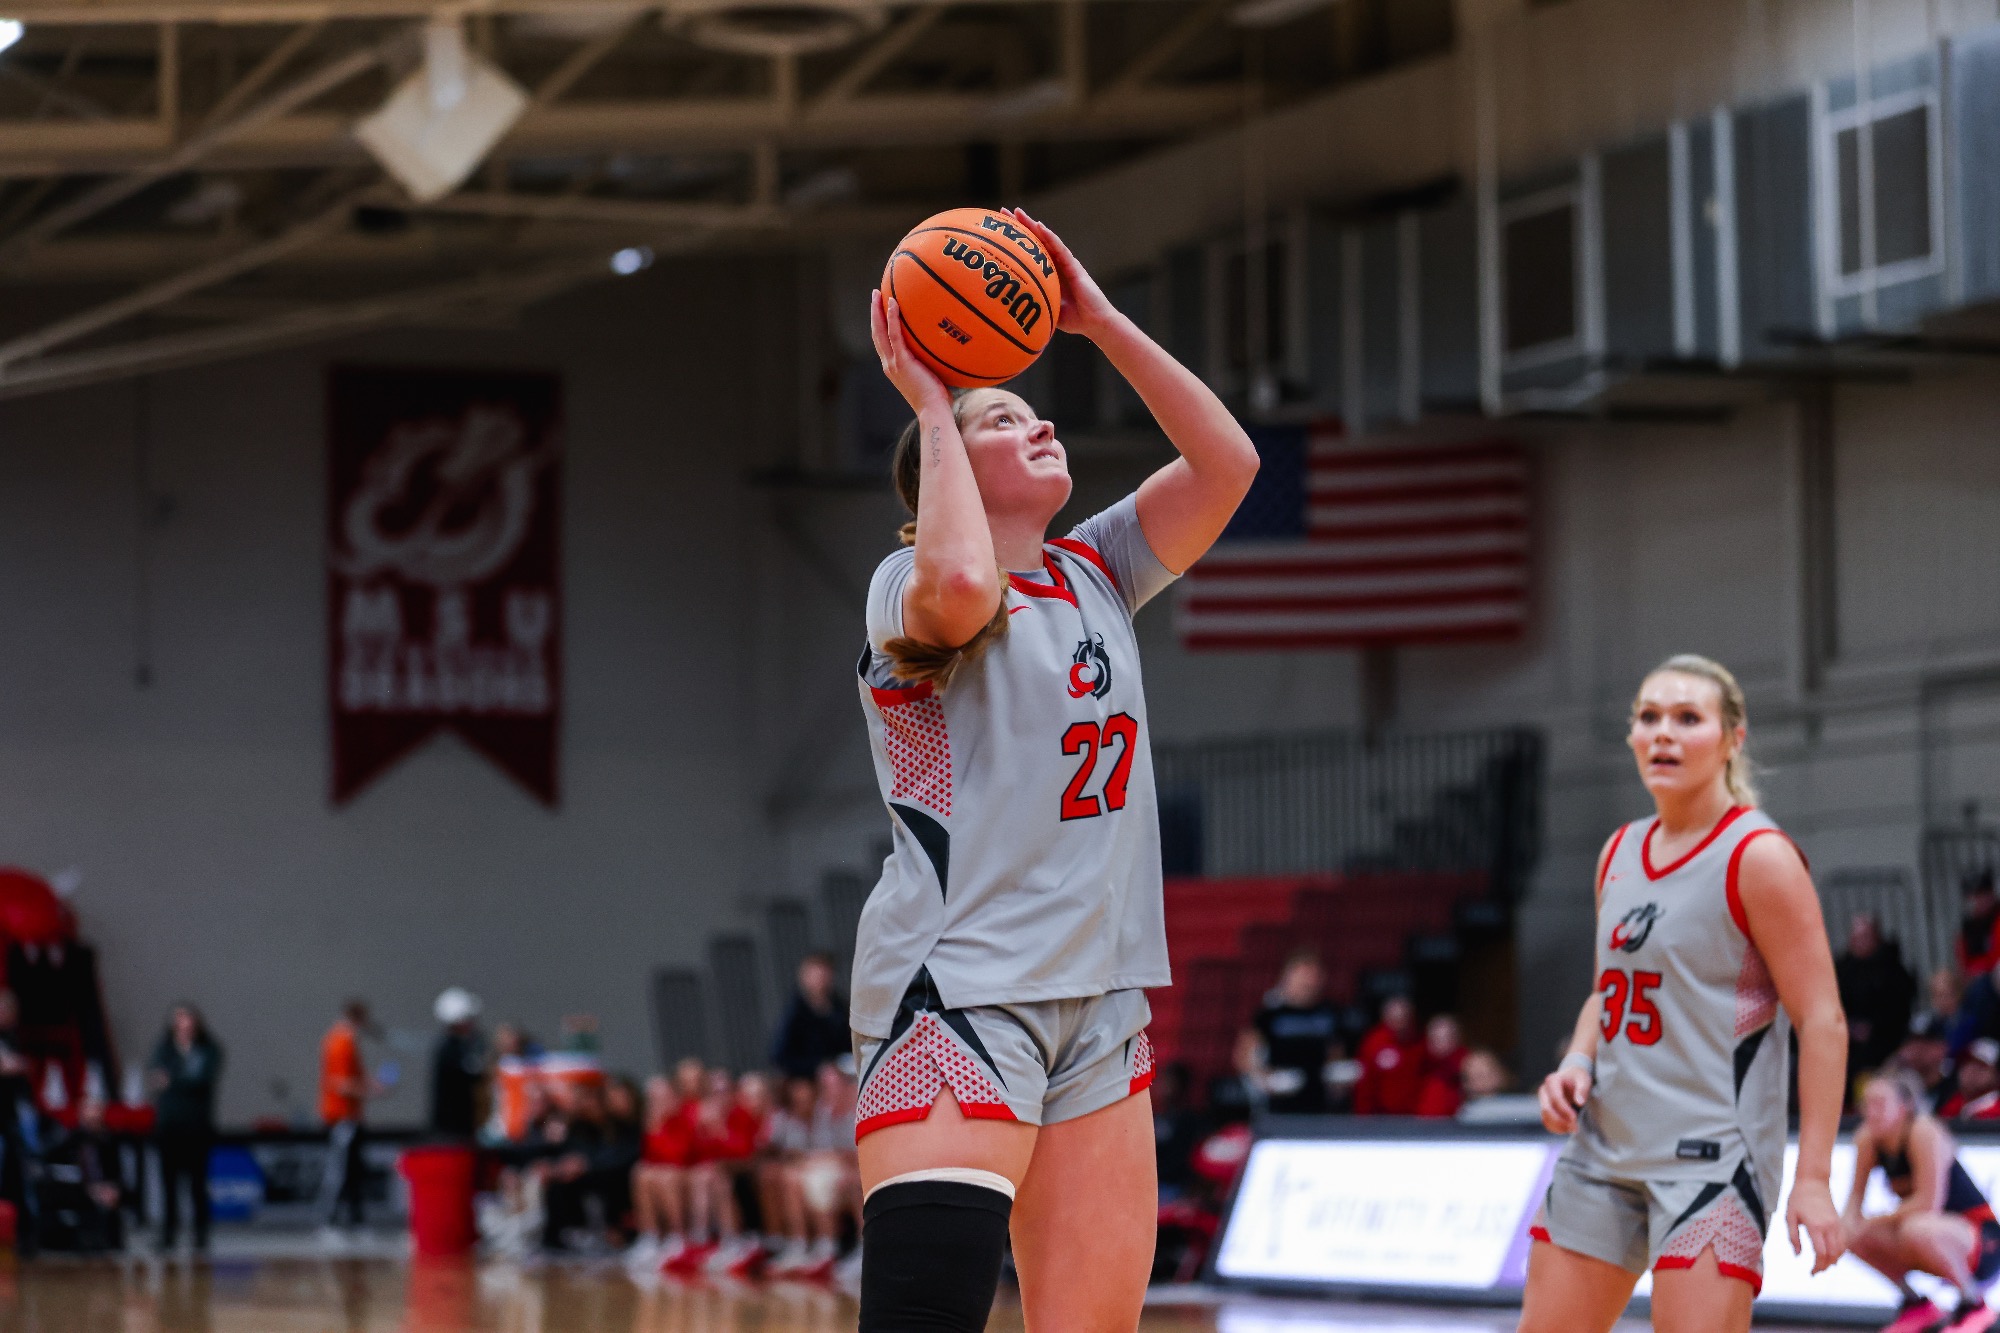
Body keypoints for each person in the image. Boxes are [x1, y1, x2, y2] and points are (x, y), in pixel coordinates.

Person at [851, 207, 1258, 1333]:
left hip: (1099, 1002)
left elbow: (1230, 463)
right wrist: (932, 400)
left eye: (1035, 412)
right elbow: (962, 593)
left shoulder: (1095, 570)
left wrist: (1101, 322)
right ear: (941, 464)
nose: (1037, 429)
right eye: (1000, 418)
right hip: (958, 989)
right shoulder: (904, 594)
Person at [1522, 655, 1847, 1333]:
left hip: (1713, 1162)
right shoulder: (1617, 851)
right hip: (1604, 1149)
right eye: (1649, 717)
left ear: (1733, 738)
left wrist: (1813, 1176)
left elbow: (1822, 1019)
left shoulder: (1758, 855)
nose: (1663, 733)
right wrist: (1578, 1061)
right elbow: (1606, 994)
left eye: (1687, 718)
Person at [1843, 1071, 2000, 1333]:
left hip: (1983, 1245)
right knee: (1848, 1233)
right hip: (1930, 1237)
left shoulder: (1923, 1131)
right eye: (1867, 1104)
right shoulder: (1867, 1139)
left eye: (1880, 1103)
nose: (1871, 1112)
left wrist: (1870, 1221)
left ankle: (1974, 1305)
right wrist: (1841, 1230)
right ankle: (1916, 1305)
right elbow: (1852, 1207)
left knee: (1916, 1226)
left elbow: (1928, 1204)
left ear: (1903, 1108)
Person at [148, 1002, 221, 1252]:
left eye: (188, 1019)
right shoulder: (164, 1050)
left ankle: (201, 1234)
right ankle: (168, 1233)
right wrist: (177, 1080)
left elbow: (200, 1080)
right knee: (168, 1183)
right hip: (169, 1126)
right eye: (179, 1019)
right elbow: (156, 1078)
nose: (184, 1025)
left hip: (197, 1127)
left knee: (197, 1183)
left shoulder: (208, 1050)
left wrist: (172, 1080)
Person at [1242, 952, 1342, 1114]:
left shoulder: (1329, 1012)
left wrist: (1336, 1077)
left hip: (1319, 1100)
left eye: (1314, 976)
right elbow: (1245, 1055)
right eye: (1304, 975)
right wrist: (1267, 1081)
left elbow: (1336, 1051)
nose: (1309, 982)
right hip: (1280, 1101)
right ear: (1288, 977)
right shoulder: (1270, 1014)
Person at [319, 999, 381, 1232]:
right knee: (337, 1172)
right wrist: (369, 1090)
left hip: (352, 1116)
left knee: (354, 1170)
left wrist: (372, 1085)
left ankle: (355, 1220)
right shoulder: (340, 1042)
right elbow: (339, 1083)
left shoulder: (350, 1043)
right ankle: (328, 1221)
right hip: (340, 1117)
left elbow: (353, 1078)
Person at [1839, 913, 1917, 1082]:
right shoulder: (1842, 970)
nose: (1861, 942)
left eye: (1866, 936)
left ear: (1877, 937)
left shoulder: (1893, 969)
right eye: (1857, 937)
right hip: (1848, 1036)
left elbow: (1899, 1009)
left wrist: (1873, 1027)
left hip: (1885, 1038)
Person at [627, 1075, 694, 1269]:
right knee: (640, 1172)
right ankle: (650, 1236)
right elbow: (650, 1156)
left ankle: (678, 1236)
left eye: (662, 1096)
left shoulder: (685, 1113)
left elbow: (681, 1154)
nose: (658, 1101)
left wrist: (657, 1127)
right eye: (654, 1098)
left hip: (689, 1169)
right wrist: (655, 1126)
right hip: (668, 1170)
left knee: (665, 1176)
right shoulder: (654, 1119)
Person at [771, 954, 850, 1082]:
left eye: (824, 975)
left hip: (841, 1072)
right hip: (806, 1078)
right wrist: (816, 1067)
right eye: (816, 976)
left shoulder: (840, 1007)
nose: (821, 980)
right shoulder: (795, 1013)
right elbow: (780, 1056)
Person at [427, 988, 485, 1141]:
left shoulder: (458, 1047)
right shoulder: (451, 1051)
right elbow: (474, 1075)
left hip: (457, 1129)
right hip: (453, 1131)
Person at [1352, 995, 1425, 1115]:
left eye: (1404, 1018)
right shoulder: (1374, 1042)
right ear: (1385, 1017)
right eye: (1395, 1019)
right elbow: (1364, 1083)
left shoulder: (1420, 1042)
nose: (1400, 1023)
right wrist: (1364, 1115)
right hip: (1381, 1117)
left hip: (1413, 1115)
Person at [1415, 1014, 1468, 1118]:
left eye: (1444, 1039)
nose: (1438, 1044)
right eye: (1434, 1039)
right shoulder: (1423, 1065)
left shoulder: (1466, 1067)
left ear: (1457, 1039)